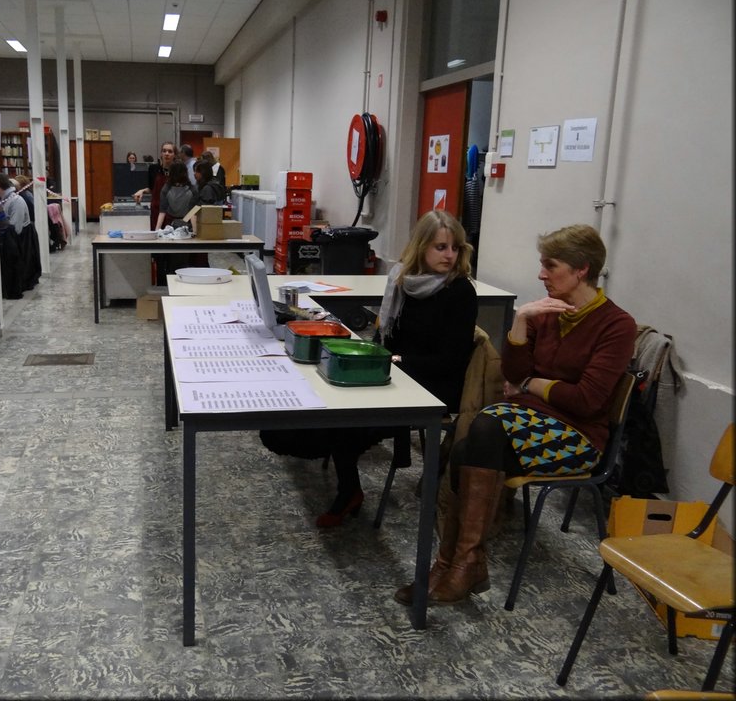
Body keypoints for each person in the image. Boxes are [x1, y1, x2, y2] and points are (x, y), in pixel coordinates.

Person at [394, 223, 636, 607]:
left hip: (578, 437)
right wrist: (521, 321)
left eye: (550, 266)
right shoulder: (543, 313)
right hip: (524, 422)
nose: (541, 274)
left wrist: (531, 384)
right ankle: (454, 564)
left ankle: (462, 564)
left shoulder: (617, 325)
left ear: (581, 270)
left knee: (484, 426)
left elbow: (586, 401)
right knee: (465, 445)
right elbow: (512, 373)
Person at [260, 210, 478, 527]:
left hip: (433, 385)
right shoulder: (405, 281)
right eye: (440, 247)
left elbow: (451, 360)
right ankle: (348, 486)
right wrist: (374, 357)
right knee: (328, 401)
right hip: (397, 371)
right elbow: (387, 338)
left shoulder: (460, 292)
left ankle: (349, 491)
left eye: (455, 248)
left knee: (346, 422)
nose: (449, 255)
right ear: (421, 247)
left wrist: (395, 362)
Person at [133, 141, 176, 229]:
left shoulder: (178, 170)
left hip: (172, 210)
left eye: (170, 151)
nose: (166, 153)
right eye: (164, 151)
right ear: (161, 154)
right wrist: (142, 191)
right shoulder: (153, 169)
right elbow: (151, 188)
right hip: (156, 209)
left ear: (174, 155)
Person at [156, 161, 198, 231]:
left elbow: (162, 211)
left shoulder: (166, 189)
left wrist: (157, 230)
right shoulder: (193, 190)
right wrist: (195, 231)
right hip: (184, 222)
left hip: (173, 222)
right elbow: (193, 212)